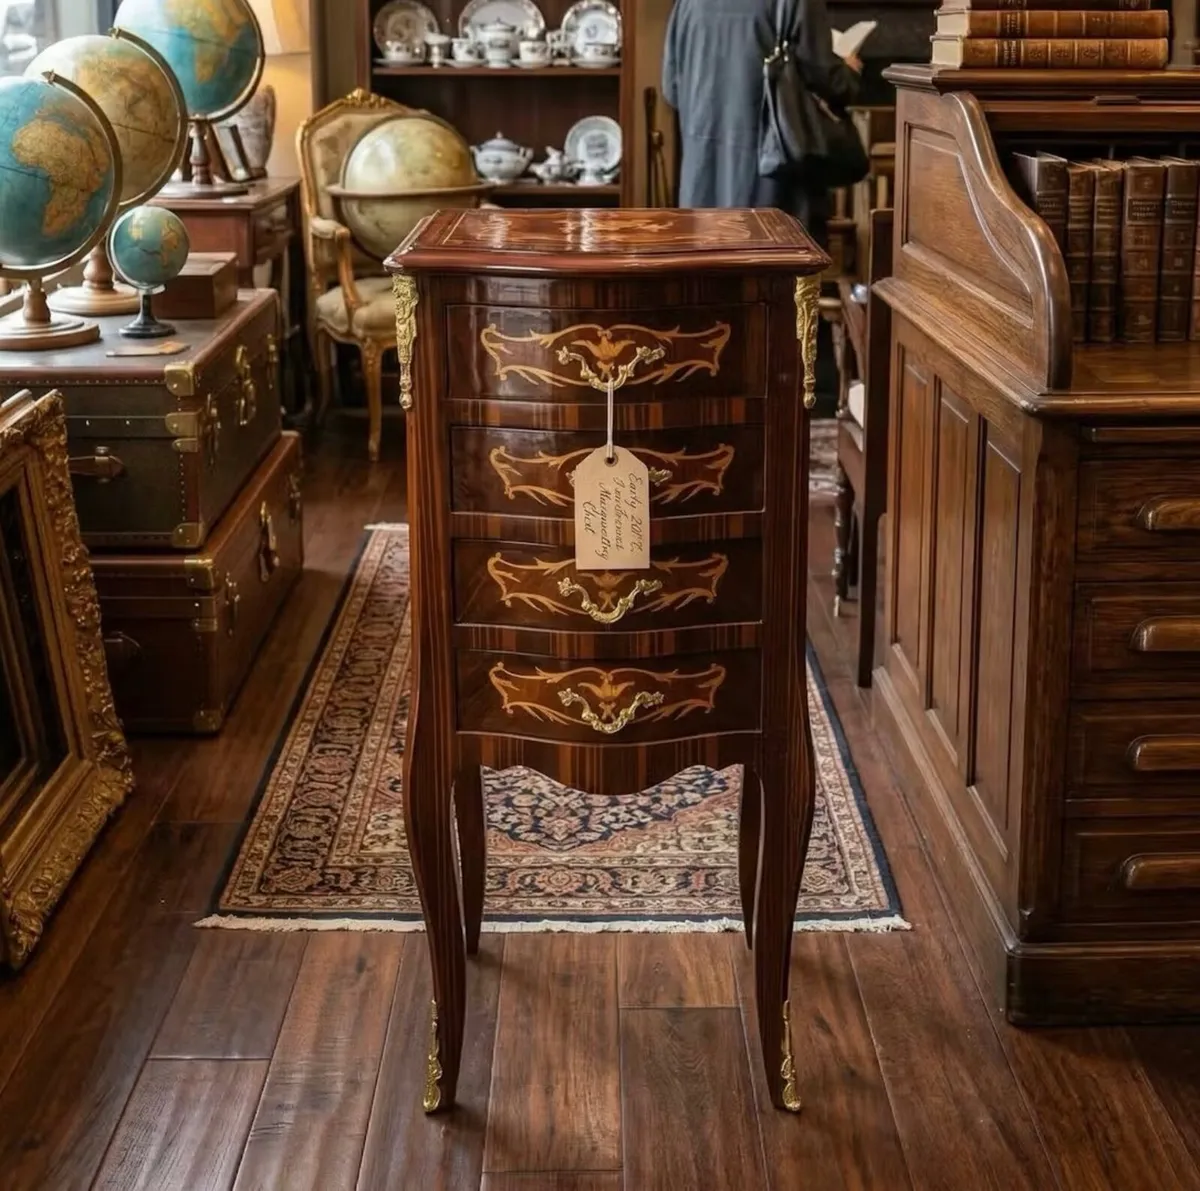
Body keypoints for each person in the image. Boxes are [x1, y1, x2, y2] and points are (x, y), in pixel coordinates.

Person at [662, 0, 862, 246]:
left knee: (706, 277)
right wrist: (849, 70)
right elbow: (828, 78)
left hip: (701, 187)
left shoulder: (688, 3)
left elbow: (671, 89)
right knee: (778, 279)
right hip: (771, 190)